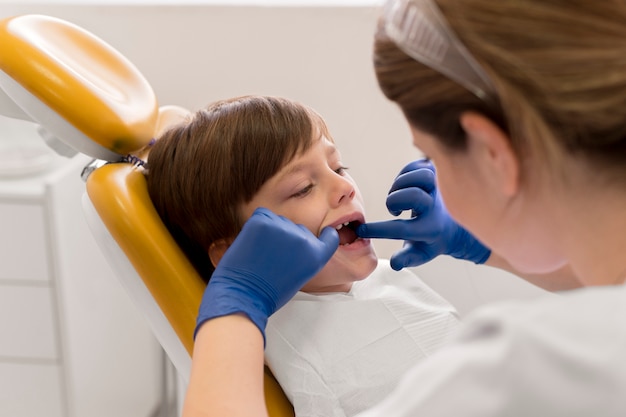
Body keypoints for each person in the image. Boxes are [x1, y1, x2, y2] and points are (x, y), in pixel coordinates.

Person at [182, 0, 626, 416]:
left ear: (494, 154)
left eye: (431, 153)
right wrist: (492, 248)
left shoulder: (513, 374)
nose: (344, 187)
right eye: (302, 188)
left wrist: (235, 308)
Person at [145, 95, 461, 417]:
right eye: (302, 188)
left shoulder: (389, 277)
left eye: (338, 167)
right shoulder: (260, 338)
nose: (345, 186)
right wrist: (243, 296)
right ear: (232, 252)